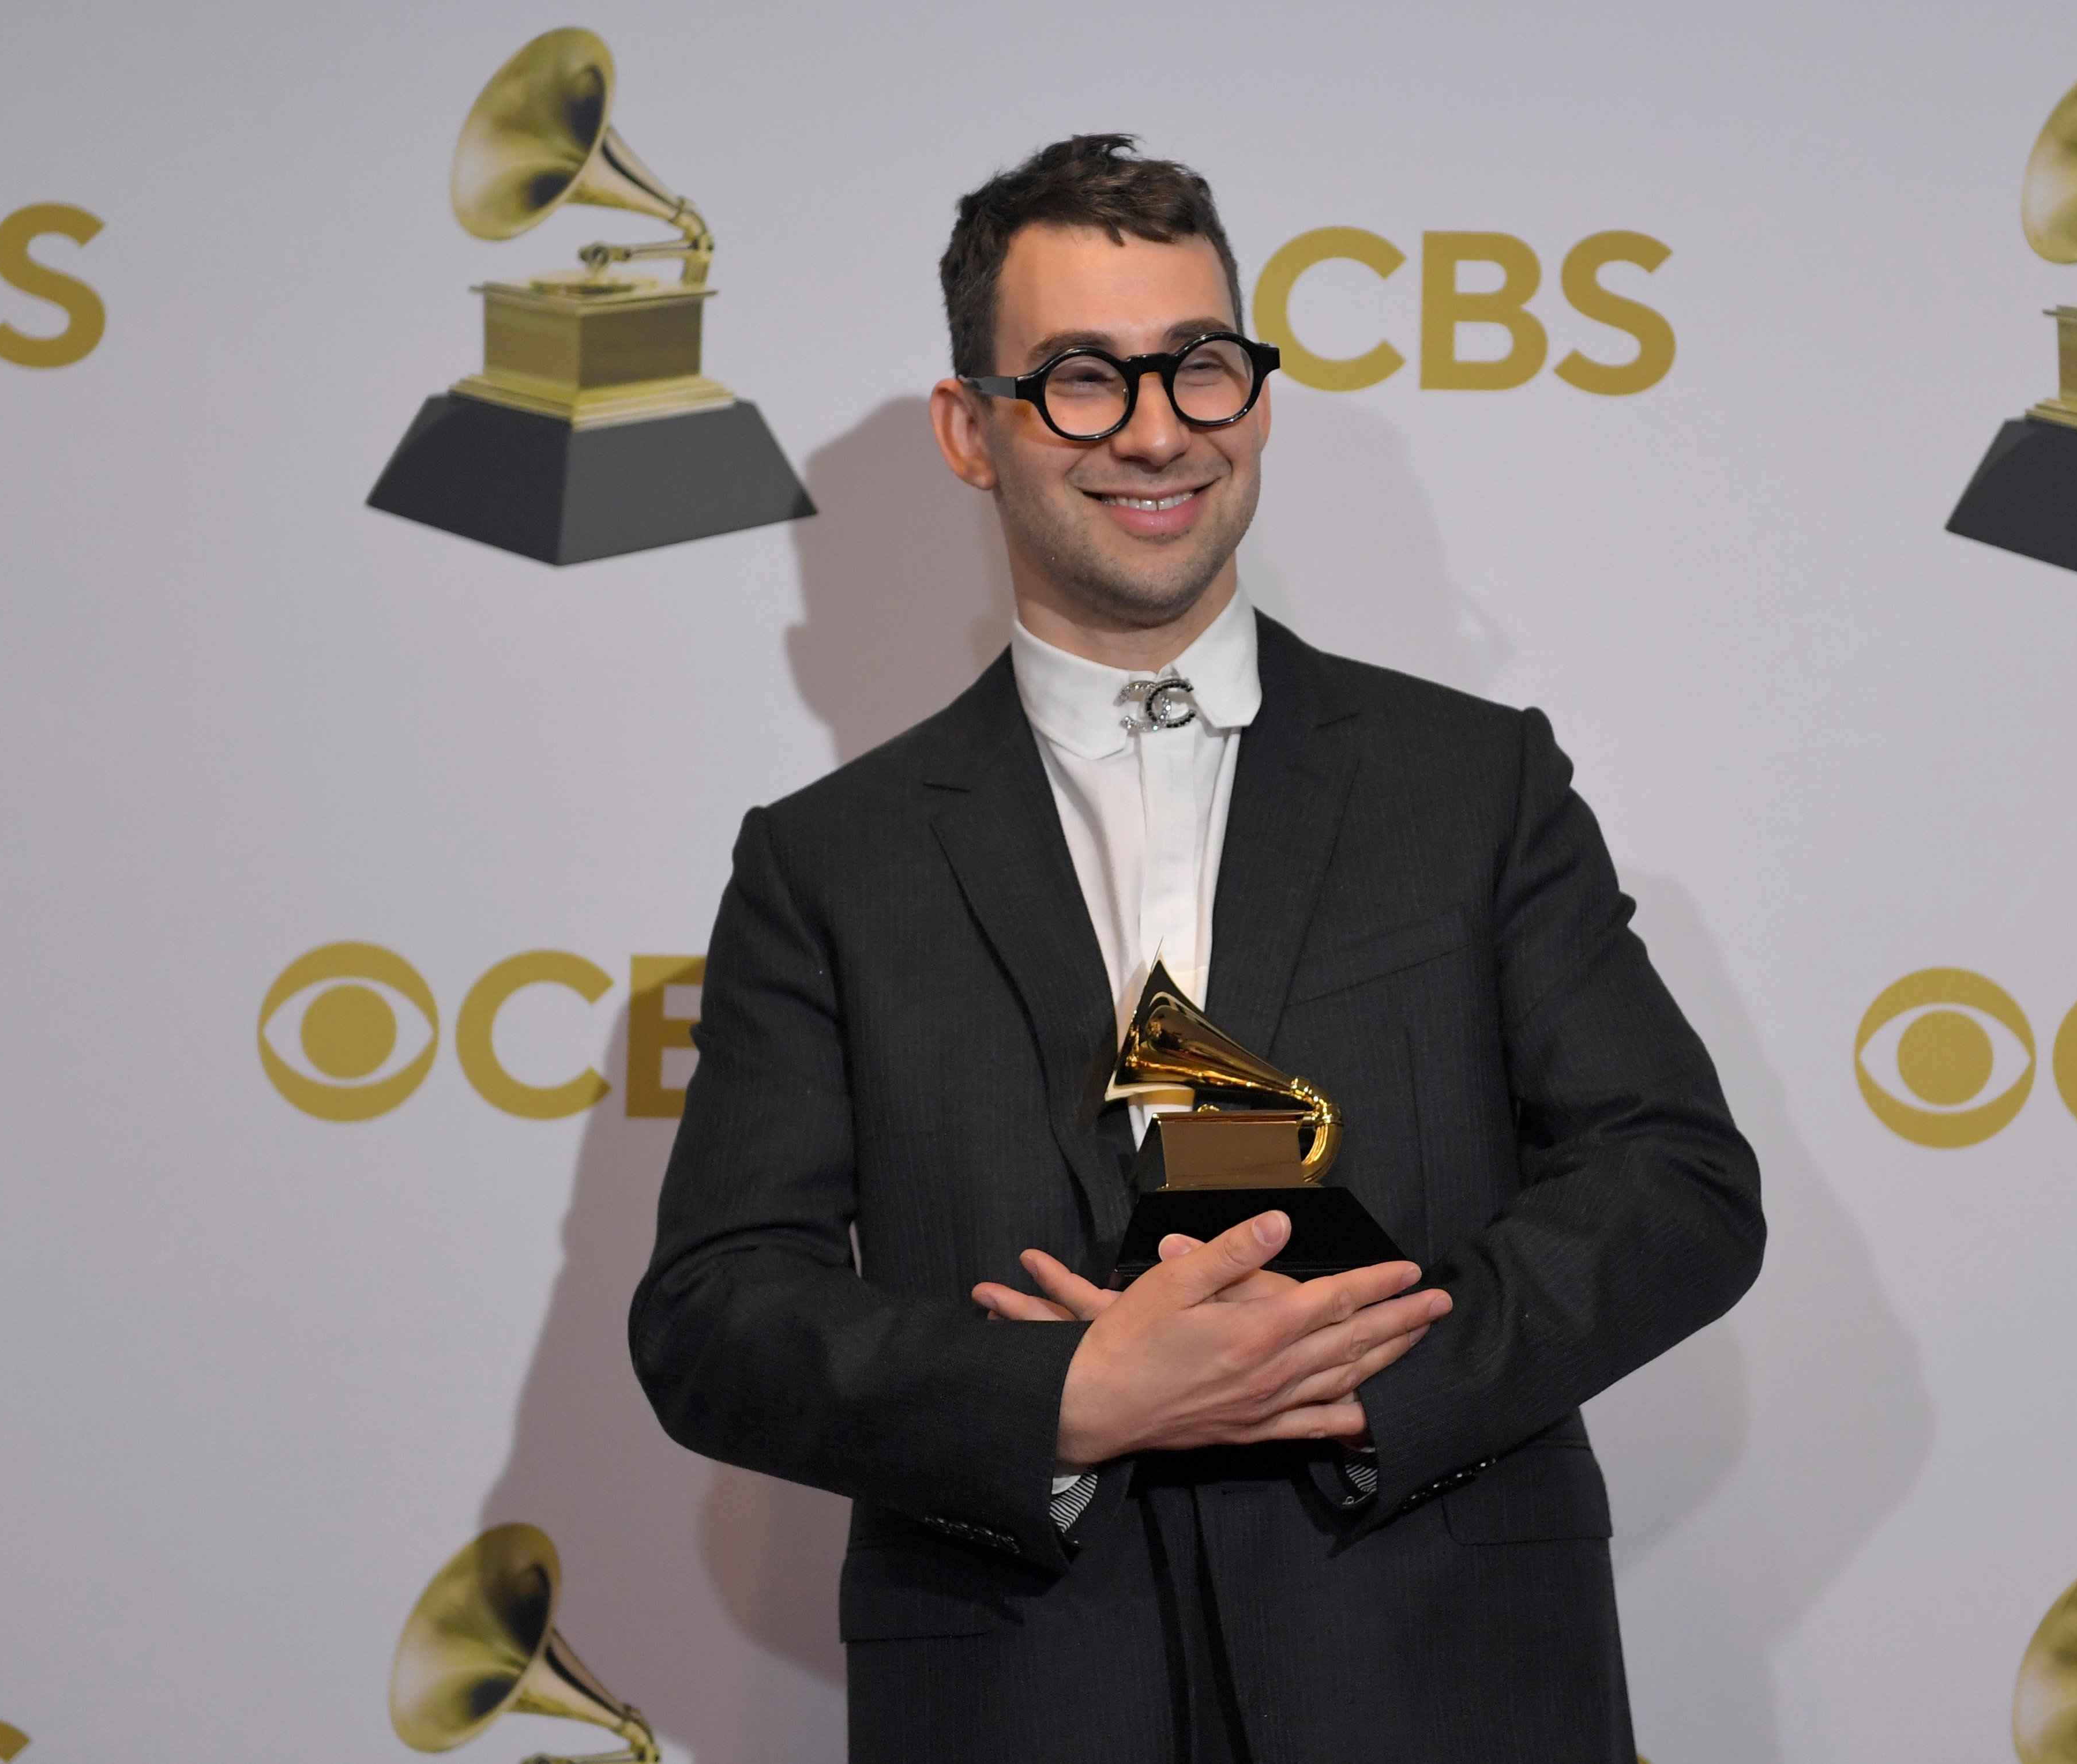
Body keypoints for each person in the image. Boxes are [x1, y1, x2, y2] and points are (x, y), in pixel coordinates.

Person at [632, 134, 1763, 1764]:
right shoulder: (828, 863)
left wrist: (1363, 1373)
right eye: (1084, 378)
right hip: (1023, 1696)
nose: (1158, 429)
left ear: (1258, 397)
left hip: (1449, 1681)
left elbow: (1678, 1183)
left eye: (1202, 367)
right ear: (974, 429)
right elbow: (716, 1315)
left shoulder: (1476, 780)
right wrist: (1071, 1399)